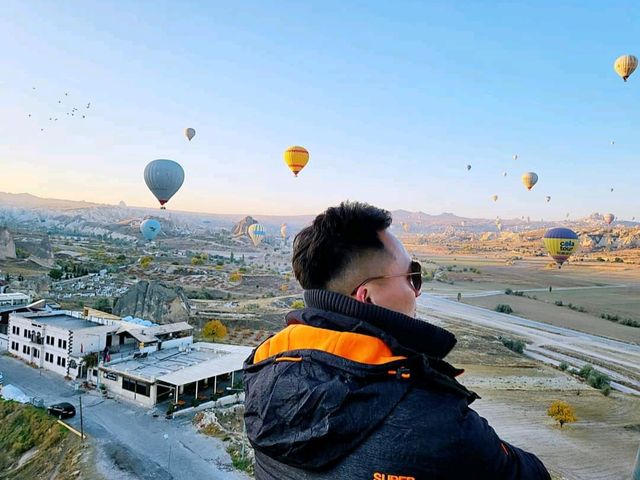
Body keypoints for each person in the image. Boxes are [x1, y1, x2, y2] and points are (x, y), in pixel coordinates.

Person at [244, 201, 550, 479]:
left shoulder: (264, 366)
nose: (417, 290)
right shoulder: (434, 419)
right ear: (368, 297)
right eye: (411, 276)